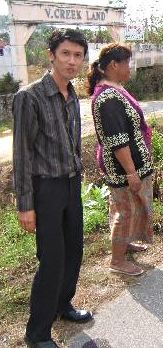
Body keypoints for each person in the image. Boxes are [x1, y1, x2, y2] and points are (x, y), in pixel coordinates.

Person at [12, 29, 92, 348]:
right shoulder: (29, 97)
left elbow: (72, 144)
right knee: (52, 260)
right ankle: (37, 333)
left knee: (74, 252)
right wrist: (25, 205)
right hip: (45, 191)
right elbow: (22, 155)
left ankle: (63, 305)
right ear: (51, 55)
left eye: (78, 55)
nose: (72, 61)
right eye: (66, 54)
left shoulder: (73, 95)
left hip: (72, 186)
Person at [86, 43, 153, 277]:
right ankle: (117, 260)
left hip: (130, 165)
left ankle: (126, 244)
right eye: (128, 63)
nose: (130, 68)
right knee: (124, 211)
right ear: (114, 65)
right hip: (122, 168)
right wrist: (131, 172)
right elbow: (118, 140)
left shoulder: (116, 90)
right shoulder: (108, 98)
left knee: (130, 208)